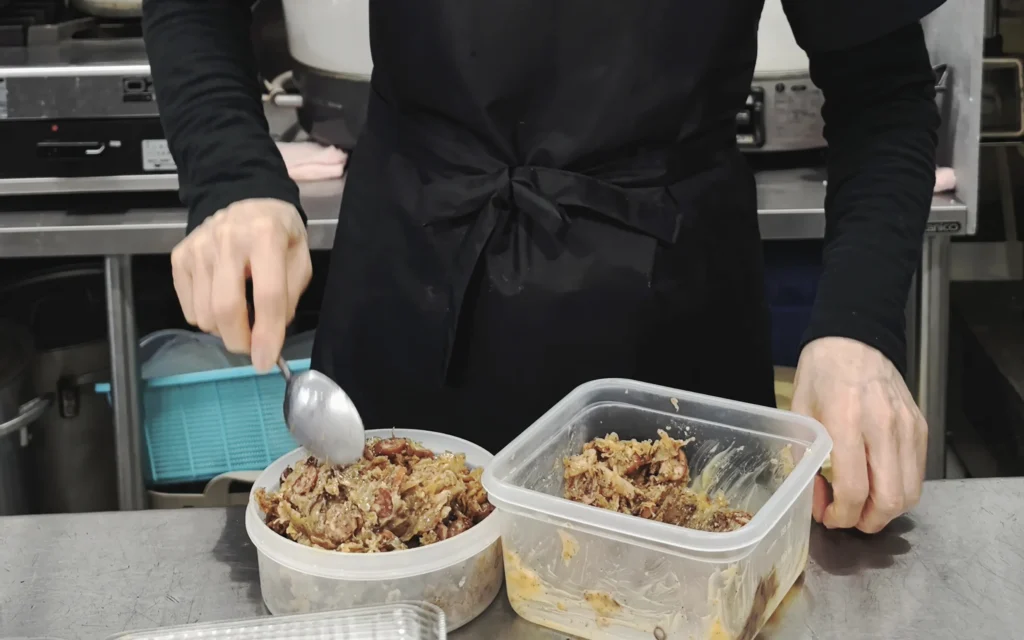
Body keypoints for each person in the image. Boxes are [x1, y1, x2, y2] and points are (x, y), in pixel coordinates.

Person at [143, 0, 944, 534]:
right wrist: (233, 180)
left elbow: (884, 89)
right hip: (412, 297)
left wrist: (856, 330)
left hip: (672, 333)